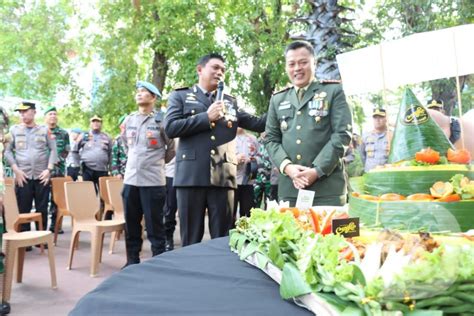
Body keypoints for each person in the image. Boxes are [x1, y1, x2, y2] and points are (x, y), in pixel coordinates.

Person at [164, 53, 266, 246]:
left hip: (223, 178)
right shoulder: (181, 96)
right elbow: (170, 128)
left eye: (223, 70)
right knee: (191, 240)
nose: (219, 72)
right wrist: (206, 117)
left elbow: (258, 123)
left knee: (222, 240)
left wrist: (281, 102)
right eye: (215, 67)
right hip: (191, 178)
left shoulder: (230, 102)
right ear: (200, 69)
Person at [265, 41, 353, 206]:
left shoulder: (333, 92)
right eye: (292, 64)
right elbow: (270, 139)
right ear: (286, 67)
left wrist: (317, 170)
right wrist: (288, 167)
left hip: (327, 189)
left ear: (315, 63)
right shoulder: (278, 99)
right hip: (290, 189)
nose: (297, 68)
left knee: (329, 232)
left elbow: (342, 134)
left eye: (303, 62)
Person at [122, 81, 175, 266]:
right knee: (131, 224)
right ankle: (132, 261)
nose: (139, 94)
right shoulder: (129, 120)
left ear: (153, 98)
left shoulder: (161, 121)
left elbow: (171, 148)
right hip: (131, 180)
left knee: (155, 227)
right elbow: (125, 145)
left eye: (144, 92)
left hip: (153, 181)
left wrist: (155, 163)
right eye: (138, 91)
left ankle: (158, 263)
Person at [4, 101, 58, 238]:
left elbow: (53, 150)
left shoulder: (45, 130)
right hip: (23, 175)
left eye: (25, 111)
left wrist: (49, 169)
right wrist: (16, 169)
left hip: (42, 175)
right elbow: (7, 151)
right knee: (24, 208)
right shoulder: (13, 130)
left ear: (34, 112)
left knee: (42, 208)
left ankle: (42, 237)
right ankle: (25, 238)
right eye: (20, 112)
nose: (22, 115)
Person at [44, 106, 70, 232]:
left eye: (55, 113)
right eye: (50, 114)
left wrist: (57, 158)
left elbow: (67, 150)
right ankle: (41, 227)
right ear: (45, 117)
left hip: (58, 171)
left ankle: (55, 226)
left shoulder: (64, 133)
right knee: (43, 198)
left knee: (57, 198)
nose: (53, 116)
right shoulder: (41, 131)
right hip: (43, 171)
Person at [74, 115, 112, 192]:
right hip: (87, 169)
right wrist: (77, 166)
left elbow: (111, 153)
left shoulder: (107, 137)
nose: (96, 123)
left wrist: (110, 169)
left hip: (102, 170)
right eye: (93, 121)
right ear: (90, 123)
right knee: (89, 194)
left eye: (98, 121)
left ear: (101, 123)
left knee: (104, 194)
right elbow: (75, 150)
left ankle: (101, 204)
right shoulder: (83, 135)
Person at [233, 127, 259, 222]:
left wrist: (251, 160)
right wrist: (235, 159)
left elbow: (260, 156)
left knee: (248, 212)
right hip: (232, 181)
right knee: (231, 212)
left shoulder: (252, 138)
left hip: (248, 180)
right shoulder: (228, 138)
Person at [360, 108, 392, 172]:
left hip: (388, 173)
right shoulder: (366, 136)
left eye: (381, 117)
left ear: (386, 119)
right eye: (375, 117)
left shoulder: (392, 136)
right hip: (370, 173)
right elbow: (362, 155)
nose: (377, 120)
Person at [163, 138, 178, 251]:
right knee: (170, 208)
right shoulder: (169, 132)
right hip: (171, 174)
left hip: (188, 175)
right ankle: (168, 237)